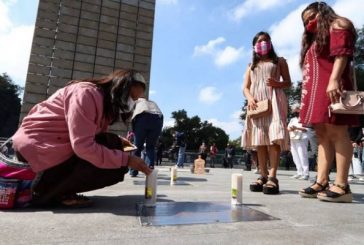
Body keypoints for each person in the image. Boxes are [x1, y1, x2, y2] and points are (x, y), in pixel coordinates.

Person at [12, 69, 152, 208]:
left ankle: (58, 189)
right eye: (131, 97)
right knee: (115, 153)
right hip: (38, 149)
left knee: (115, 150)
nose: (131, 103)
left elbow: (91, 138)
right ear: (121, 87)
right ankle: (45, 191)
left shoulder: (103, 105)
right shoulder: (86, 94)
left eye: (135, 100)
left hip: (51, 148)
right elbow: (83, 146)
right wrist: (126, 159)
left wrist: (123, 151)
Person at [298, 2, 358, 203]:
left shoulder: (338, 24)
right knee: (322, 135)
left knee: (337, 132)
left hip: (333, 85)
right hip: (315, 91)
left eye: (311, 16)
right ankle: (322, 180)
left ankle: (342, 185)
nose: (309, 22)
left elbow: (342, 54)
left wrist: (334, 79)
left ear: (322, 11)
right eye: (305, 21)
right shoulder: (314, 39)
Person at [241, 31, 291, 194]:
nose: (263, 43)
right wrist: (249, 98)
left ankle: (272, 176)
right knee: (260, 140)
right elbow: (245, 87)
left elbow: (288, 82)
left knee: (273, 139)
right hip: (257, 103)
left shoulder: (279, 61)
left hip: (275, 99)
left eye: (266, 40)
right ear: (254, 46)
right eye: (259, 41)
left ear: (270, 43)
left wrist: (278, 83)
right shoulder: (251, 65)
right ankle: (262, 174)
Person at [129, 98, 163, 176]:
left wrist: (134, 129)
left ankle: (133, 171)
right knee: (150, 147)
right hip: (157, 119)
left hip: (142, 118)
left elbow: (130, 114)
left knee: (137, 147)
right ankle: (149, 169)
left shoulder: (137, 101)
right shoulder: (153, 102)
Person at [288, 104, 310, 180]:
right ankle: (299, 172)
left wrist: (297, 128)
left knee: (302, 155)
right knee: (295, 156)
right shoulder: (293, 119)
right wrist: (291, 128)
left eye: (295, 109)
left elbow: (307, 129)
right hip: (293, 138)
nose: (293, 111)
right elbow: (288, 128)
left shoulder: (305, 118)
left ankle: (306, 173)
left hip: (302, 138)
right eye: (293, 109)